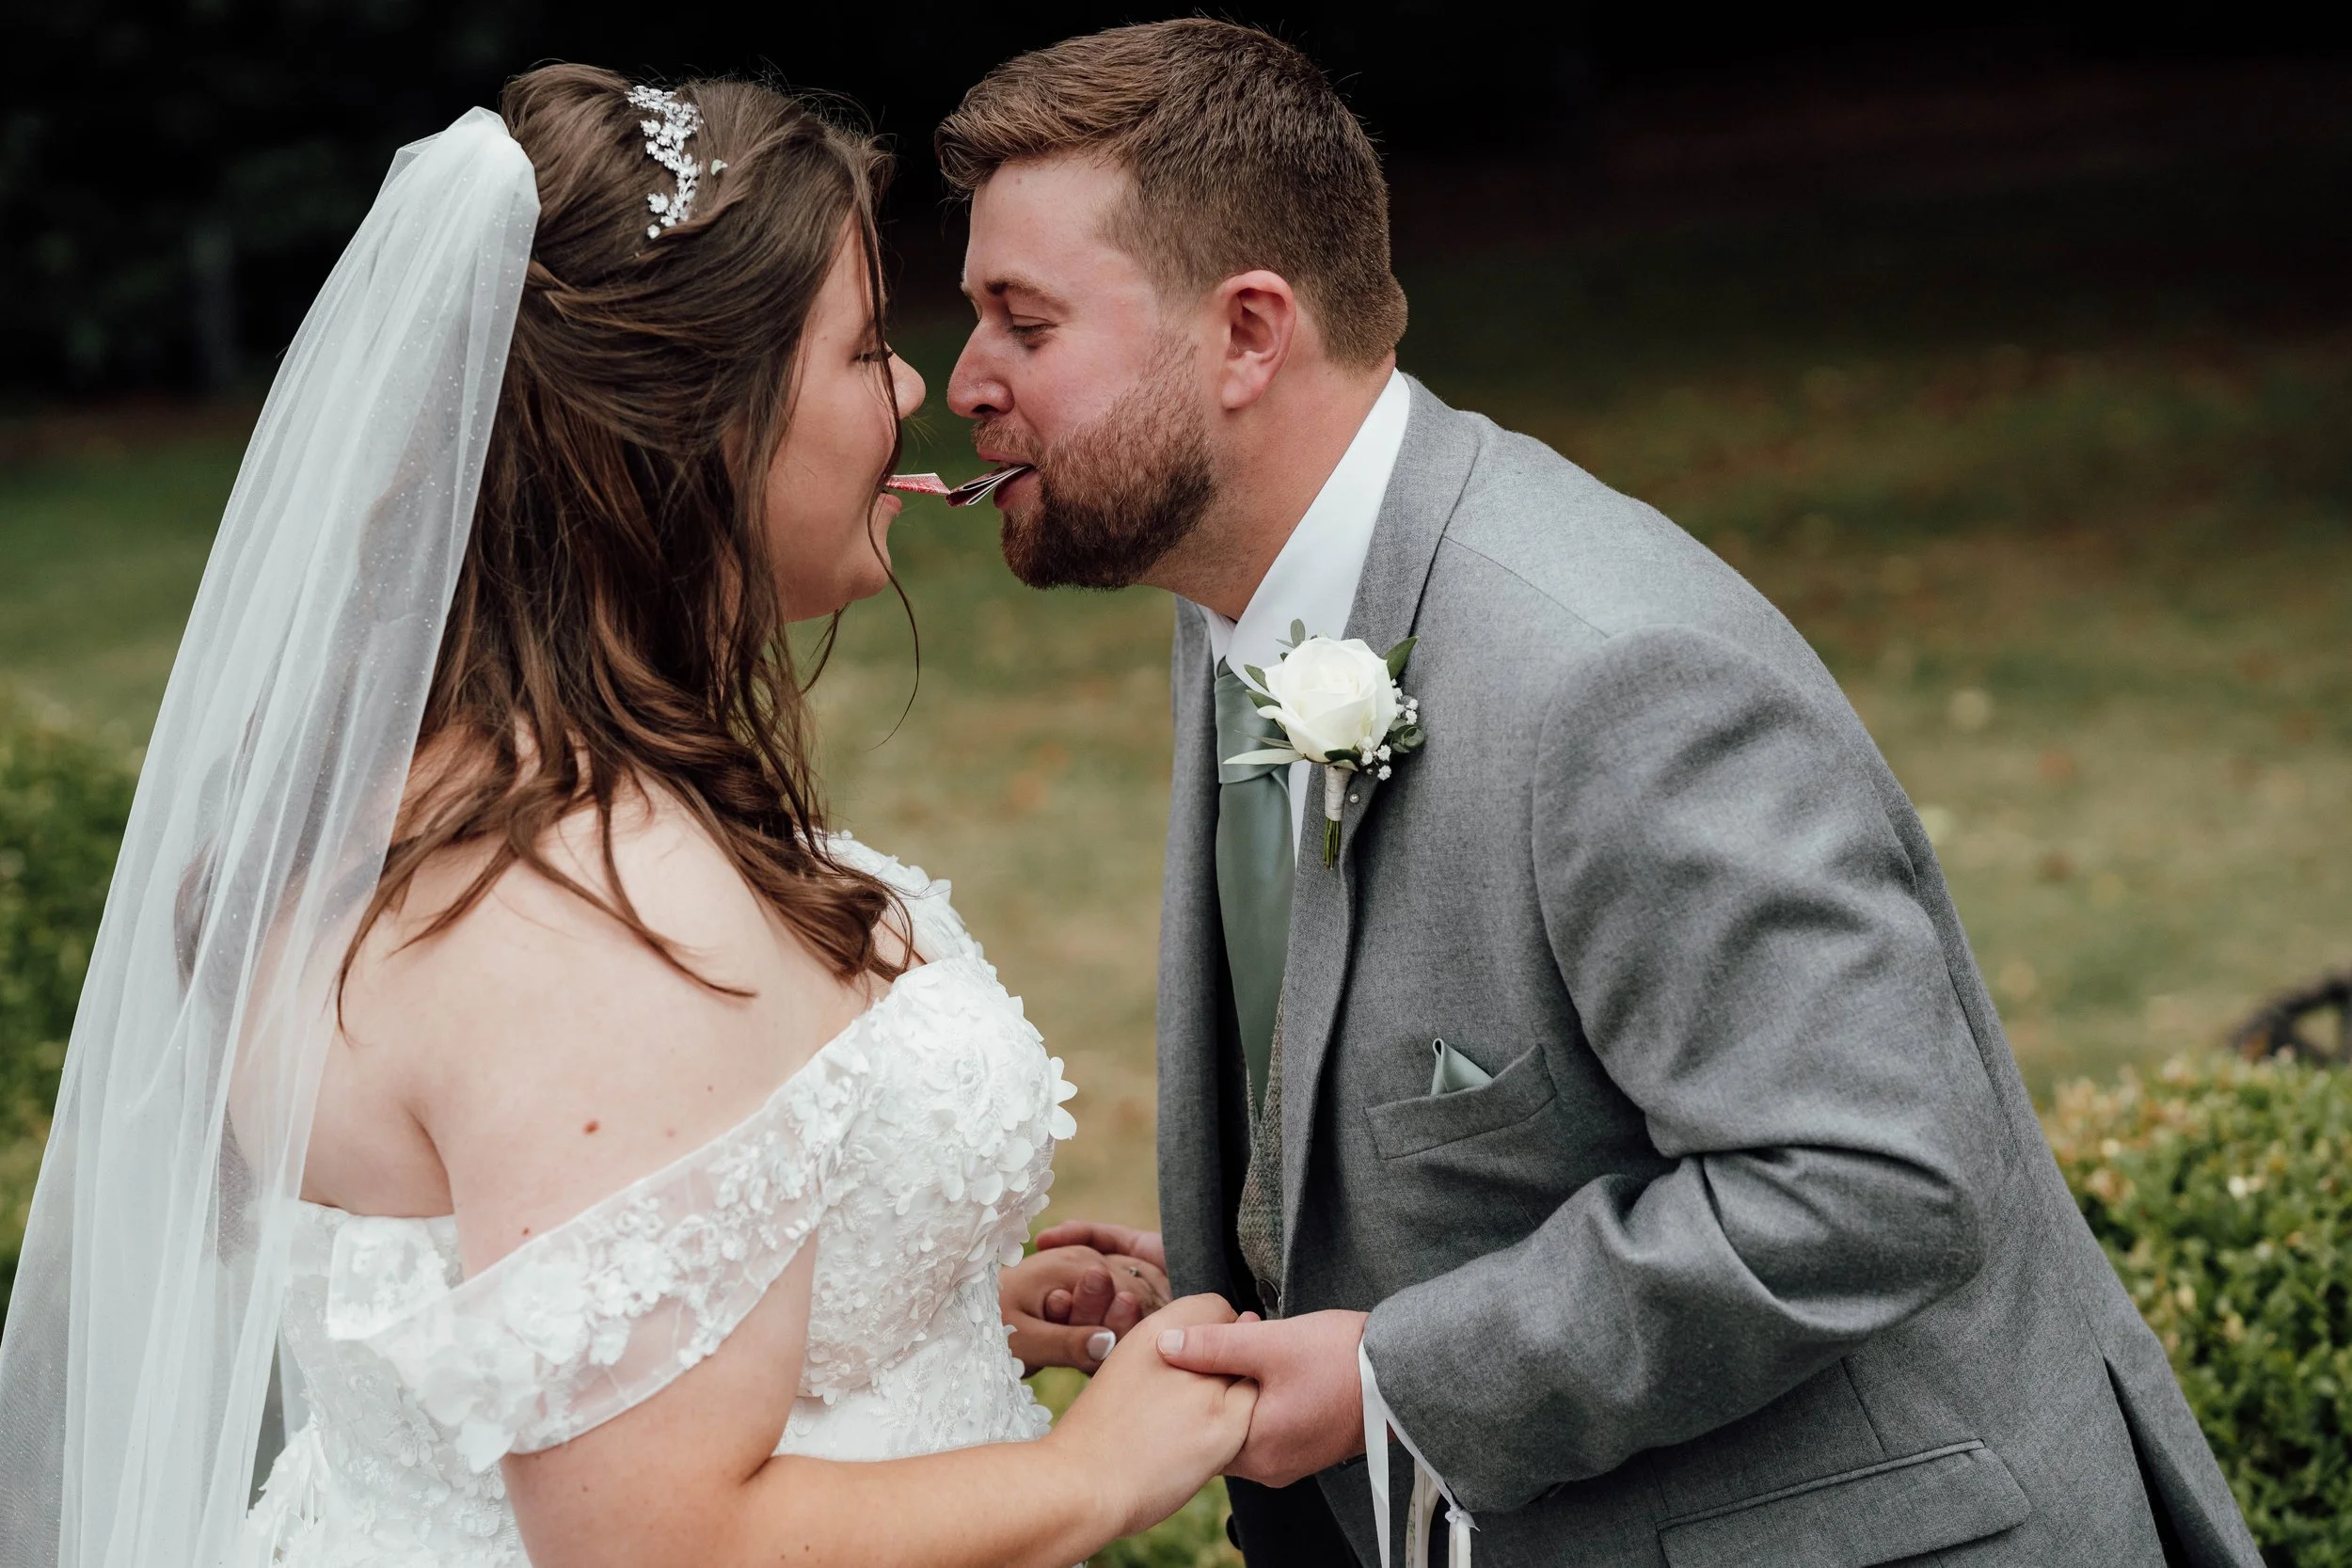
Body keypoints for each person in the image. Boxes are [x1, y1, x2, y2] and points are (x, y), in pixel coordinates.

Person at [942, 20, 2263, 1568]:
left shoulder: (1611, 677)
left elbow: (1871, 1181)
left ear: (1247, 334)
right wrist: (1274, 1278)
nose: (961, 379)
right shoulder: (1238, 594)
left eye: (1021, 323)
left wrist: (1389, 1376)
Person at [0, 64, 1245, 1568]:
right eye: (860, 352)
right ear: (699, 433)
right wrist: (1093, 1475)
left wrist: (907, 1312)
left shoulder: (449, 792)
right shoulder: (598, 905)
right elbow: (655, 1539)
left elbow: (530, 1308)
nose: (917, 388)